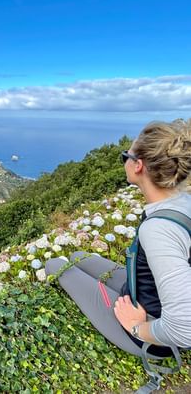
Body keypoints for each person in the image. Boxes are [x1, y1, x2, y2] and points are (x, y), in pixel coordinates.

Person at [45, 119, 191, 360]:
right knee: (77, 257)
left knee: (55, 265)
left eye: (127, 156)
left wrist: (137, 326)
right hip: (144, 293)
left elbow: (185, 329)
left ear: (138, 166)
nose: (124, 161)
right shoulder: (182, 202)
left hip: (153, 334)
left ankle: (136, 331)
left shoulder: (159, 229)